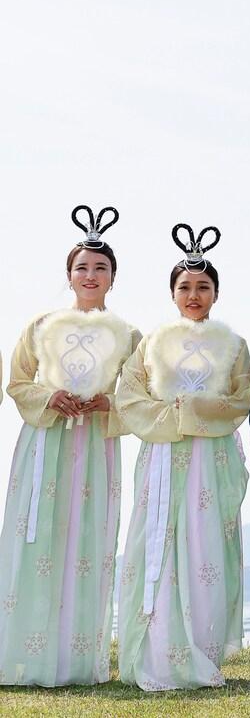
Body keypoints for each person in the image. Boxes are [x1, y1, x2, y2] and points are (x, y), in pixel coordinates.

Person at [0, 206, 140, 686]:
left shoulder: (128, 335)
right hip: (46, 442)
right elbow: (18, 381)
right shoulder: (42, 324)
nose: (90, 275)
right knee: (37, 539)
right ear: (68, 274)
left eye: (100, 268)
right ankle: (24, 655)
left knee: (86, 541)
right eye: (82, 267)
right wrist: (49, 396)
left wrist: (109, 401)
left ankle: (77, 659)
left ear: (113, 277)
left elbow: (140, 395)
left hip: (95, 447)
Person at [113, 224, 250, 690]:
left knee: (204, 543)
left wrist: (192, 412)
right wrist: (172, 418)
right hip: (162, 455)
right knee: (160, 540)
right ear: (172, 293)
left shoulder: (233, 345)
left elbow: (240, 399)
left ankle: (202, 649)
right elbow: (129, 396)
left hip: (211, 459)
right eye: (185, 287)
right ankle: (157, 648)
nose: (194, 295)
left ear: (216, 293)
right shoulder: (150, 344)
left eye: (203, 287)